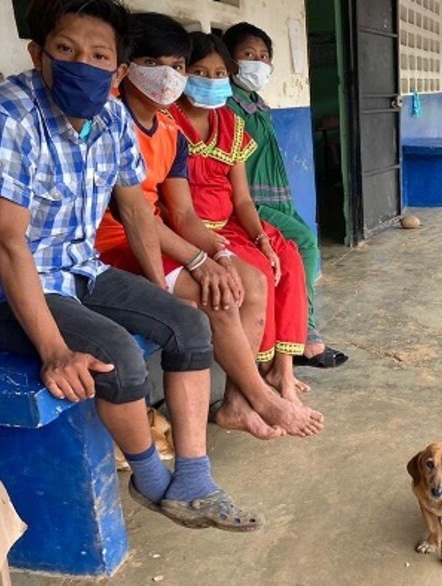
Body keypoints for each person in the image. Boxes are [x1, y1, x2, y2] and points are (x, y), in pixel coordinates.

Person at [0, 0, 259, 531]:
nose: (81, 65)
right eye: (66, 50)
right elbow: (5, 243)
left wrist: (157, 293)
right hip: (2, 288)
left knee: (188, 326)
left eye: (98, 55)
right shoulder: (8, 115)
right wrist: (54, 351)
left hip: (78, 267)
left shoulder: (112, 116)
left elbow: (136, 207)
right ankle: (152, 481)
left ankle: (194, 477)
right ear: (38, 54)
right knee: (117, 357)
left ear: (117, 69)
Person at [94, 14, 323, 438]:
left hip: (161, 235)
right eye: (152, 62)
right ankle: (262, 396)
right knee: (218, 294)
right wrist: (200, 260)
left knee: (249, 281)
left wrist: (218, 254)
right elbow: (136, 218)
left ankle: (240, 401)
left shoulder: (167, 129)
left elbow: (181, 214)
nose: (168, 76)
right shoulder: (110, 121)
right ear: (126, 67)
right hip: (115, 246)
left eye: (177, 66)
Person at [223, 22, 348, 369]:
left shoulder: (255, 102)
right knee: (304, 243)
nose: (258, 62)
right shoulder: (226, 106)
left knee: (298, 251)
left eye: (263, 55)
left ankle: (296, 336)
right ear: (230, 60)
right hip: (251, 202)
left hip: (276, 199)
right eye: (248, 55)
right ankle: (305, 336)